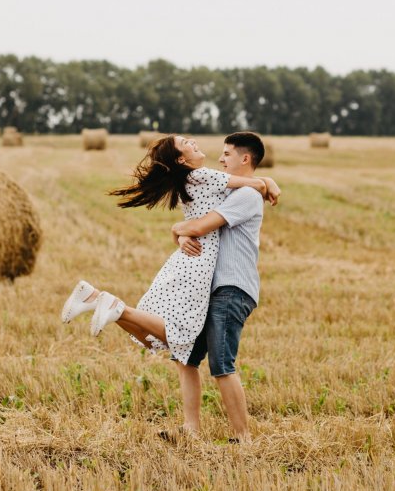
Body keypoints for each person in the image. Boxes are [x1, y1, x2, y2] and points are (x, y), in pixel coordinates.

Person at [60, 134, 279, 374]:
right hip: (199, 262)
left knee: (152, 337)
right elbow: (254, 186)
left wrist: (178, 231)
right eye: (186, 143)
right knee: (178, 334)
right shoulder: (202, 175)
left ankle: (94, 296)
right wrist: (266, 182)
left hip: (188, 259)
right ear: (181, 160)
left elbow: (234, 192)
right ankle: (116, 306)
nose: (193, 141)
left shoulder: (193, 179)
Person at [167, 131, 269, 443]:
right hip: (211, 290)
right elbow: (195, 226)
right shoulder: (229, 193)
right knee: (185, 357)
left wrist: (180, 230)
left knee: (222, 363)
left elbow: (199, 225)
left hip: (232, 289)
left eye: (227, 154)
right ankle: (190, 430)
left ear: (245, 158)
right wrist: (181, 235)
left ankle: (243, 439)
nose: (221, 159)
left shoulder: (245, 197)